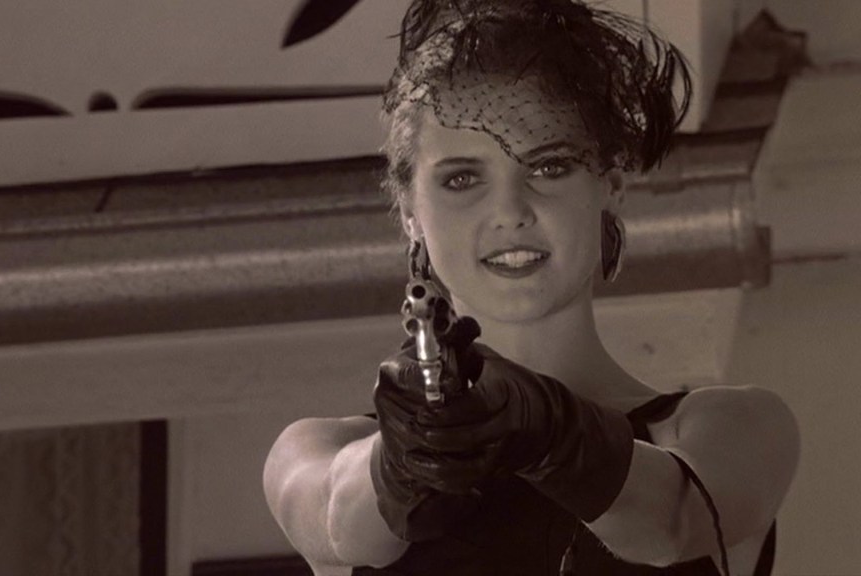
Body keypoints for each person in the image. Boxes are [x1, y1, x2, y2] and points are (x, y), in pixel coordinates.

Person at [263, 1, 800, 574]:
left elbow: (672, 526)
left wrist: (545, 425)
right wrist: (402, 460)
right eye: (462, 178)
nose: (510, 211)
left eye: (548, 167)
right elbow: (340, 519)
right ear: (411, 213)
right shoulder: (315, 453)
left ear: (610, 186)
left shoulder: (736, 428)